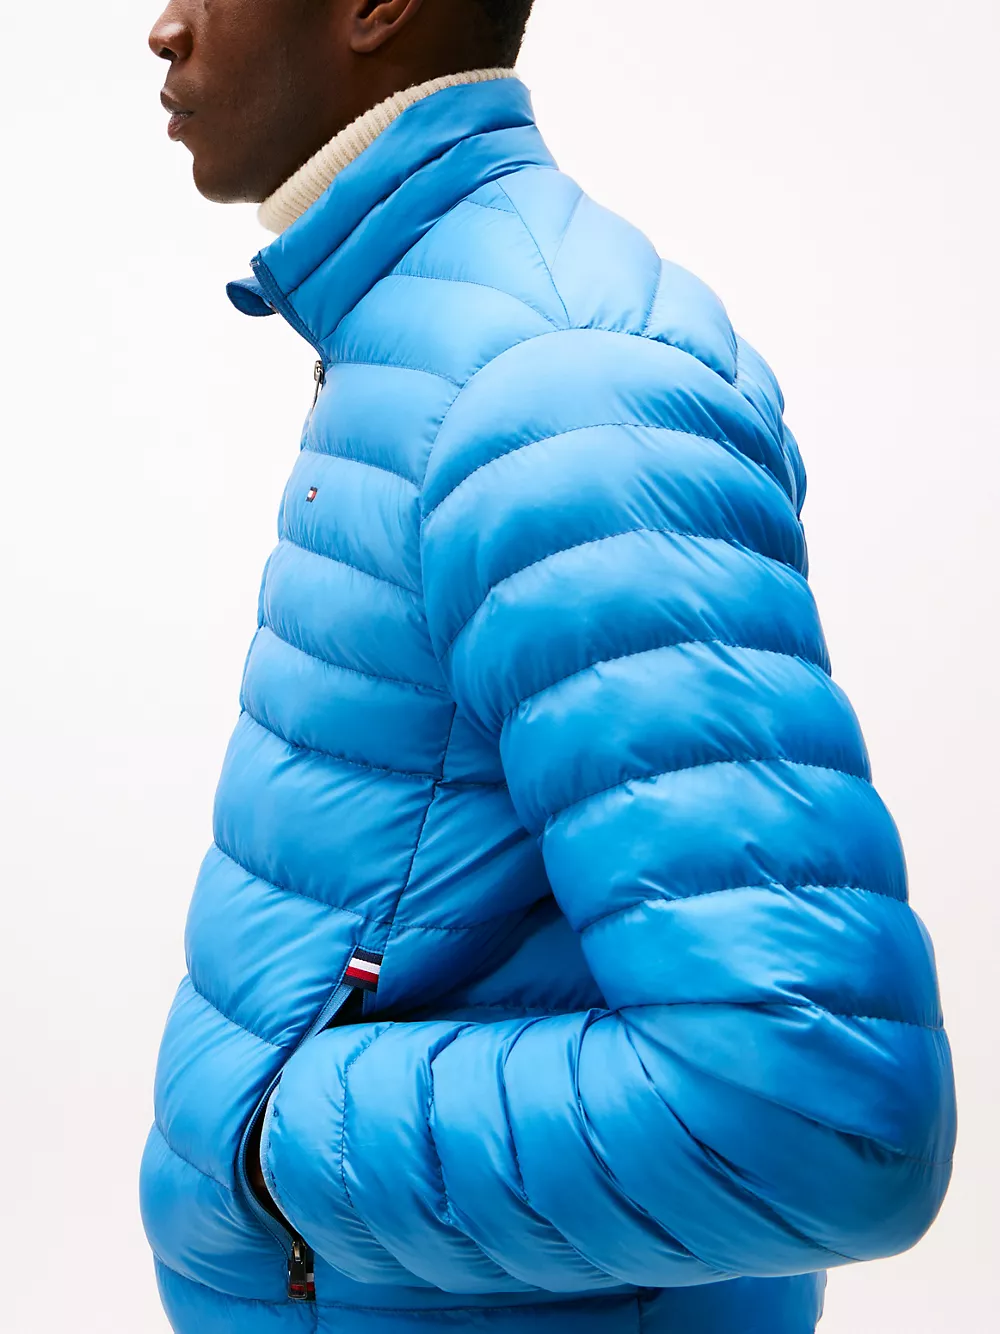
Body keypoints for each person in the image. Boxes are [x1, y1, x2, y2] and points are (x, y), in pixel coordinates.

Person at [140, 3, 957, 1332]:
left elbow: (816, 1115)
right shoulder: (428, 333)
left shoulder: (558, 386)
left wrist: (269, 1132)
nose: (166, 26)